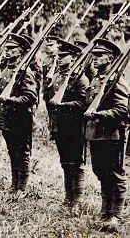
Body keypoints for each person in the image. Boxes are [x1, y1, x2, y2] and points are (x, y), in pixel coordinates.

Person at [84, 39, 129, 232]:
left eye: (100, 55)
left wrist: (98, 115)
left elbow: (122, 110)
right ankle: (105, 210)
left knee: (115, 174)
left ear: (110, 58)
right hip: (96, 134)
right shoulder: (98, 79)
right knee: (101, 172)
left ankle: (116, 215)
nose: (95, 58)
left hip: (112, 135)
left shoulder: (117, 80)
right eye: (94, 55)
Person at [45, 40, 89, 208]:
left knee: (75, 163)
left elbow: (83, 104)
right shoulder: (56, 76)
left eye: (64, 56)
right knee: (65, 162)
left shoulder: (80, 79)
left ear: (74, 58)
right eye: (60, 56)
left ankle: (77, 200)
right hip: (60, 125)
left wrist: (63, 105)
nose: (60, 59)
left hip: (74, 127)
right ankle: (67, 197)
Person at [0, 34, 38, 195]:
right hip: (7, 117)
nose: (7, 51)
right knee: (12, 151)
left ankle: (22, 187)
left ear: (20, 51)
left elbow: (30, 96)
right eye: (6, 48)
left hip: (20, 118)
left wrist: (12, 100)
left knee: (22, 152)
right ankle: (14, 184)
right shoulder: (7, 69)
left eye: (12, 49)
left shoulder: (24, 72)